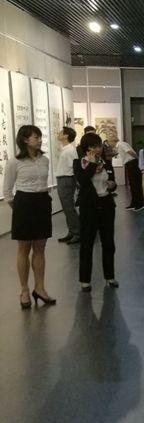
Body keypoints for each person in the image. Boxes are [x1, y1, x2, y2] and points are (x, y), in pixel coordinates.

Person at [2, 125, 56, 308]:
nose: (39, 140)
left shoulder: (45, 160)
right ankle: (24, 290)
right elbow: (7, 191)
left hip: (42, 202)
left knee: (40, 248)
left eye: (40, 137)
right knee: (23, 249)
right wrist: (18, 207)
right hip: (24, 203)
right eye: (35, 137)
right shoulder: (14, 162)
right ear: (25, 140)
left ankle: (39, 288)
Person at [74, 132, 118, 292]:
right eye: (94, 146)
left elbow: (113, 181)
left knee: (108, 242)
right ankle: (85, 280)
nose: (98, 149)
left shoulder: (105, 162)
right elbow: (84, 181)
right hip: (89, 207)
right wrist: (92, 163)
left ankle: (110, 276)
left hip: (106, 204)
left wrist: (112, 185)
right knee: (87, 243)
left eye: (99, 146)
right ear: (87, 148)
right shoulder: (79, 163)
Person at [55, 126, 80, 244]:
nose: (58, 133)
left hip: (66, 179)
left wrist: (77, 182)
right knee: (66, 207)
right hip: (63, 179)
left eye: (61, 132)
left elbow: (74, 167)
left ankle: (77, 232)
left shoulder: (70, 150)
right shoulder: (66, 149)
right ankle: (72, 231)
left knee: (69, 207)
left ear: (66, 136)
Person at [116, 137, 143, 211]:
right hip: (129, 164)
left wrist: (138, 159)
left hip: (132, 163)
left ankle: (140, 203)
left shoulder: (121, 144)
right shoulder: (119, 145)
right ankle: (134, 203)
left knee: (136, 184)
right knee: (132, 185)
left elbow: (129, 151)